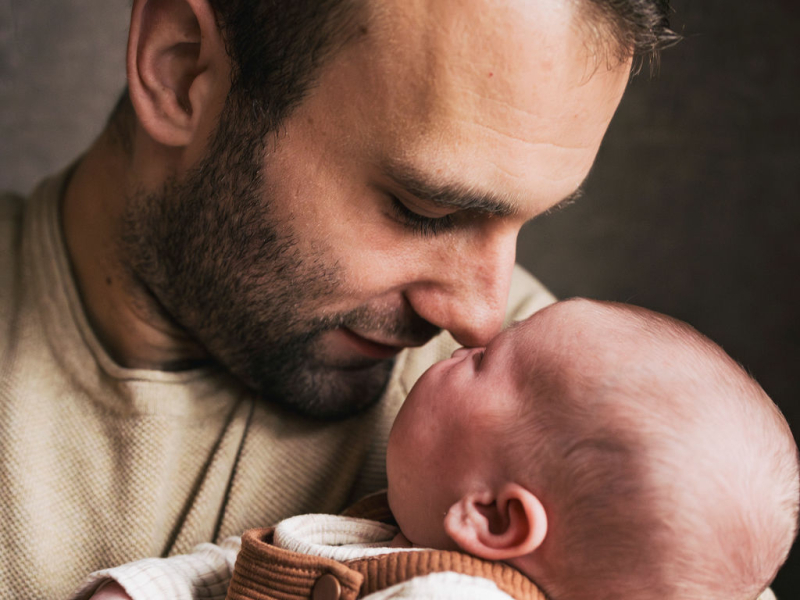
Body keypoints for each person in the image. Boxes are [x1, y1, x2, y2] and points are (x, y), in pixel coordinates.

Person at [0, 0, 678, 596]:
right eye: (425, 209)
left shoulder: (563, 411)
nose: (479, 320)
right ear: (181, 70)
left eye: (525, 222)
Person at [73, 299, 798, 600]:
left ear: (490, 517)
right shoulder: (377, 535)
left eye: (485, 364)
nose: (472, 331)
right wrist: (141, 590)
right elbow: (242, 563)